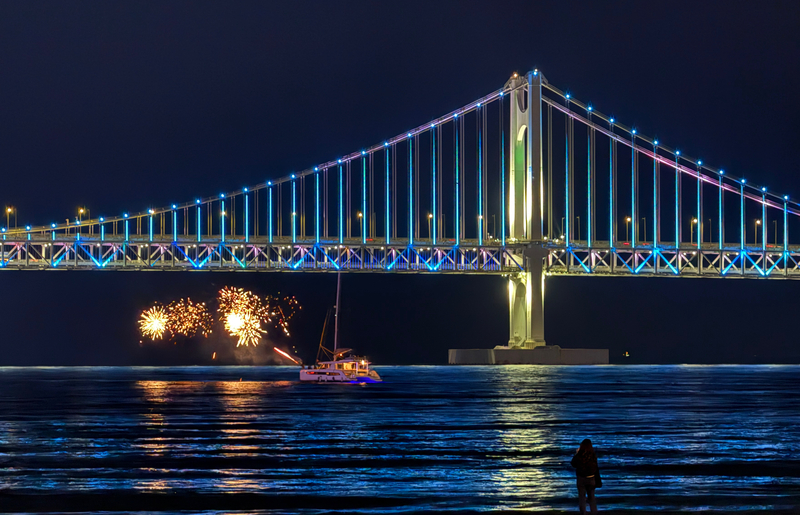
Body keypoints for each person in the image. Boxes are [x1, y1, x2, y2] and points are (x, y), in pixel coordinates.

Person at [570, 438, 600, 515]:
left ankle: (583, 513)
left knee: (582, 497)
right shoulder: (593, 455)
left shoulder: (580, 455)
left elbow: (573, 464)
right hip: (591, 478)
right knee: (592, 497)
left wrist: (577, 453)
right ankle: (594, 512)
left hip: (581, 478)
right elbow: (596, 467)